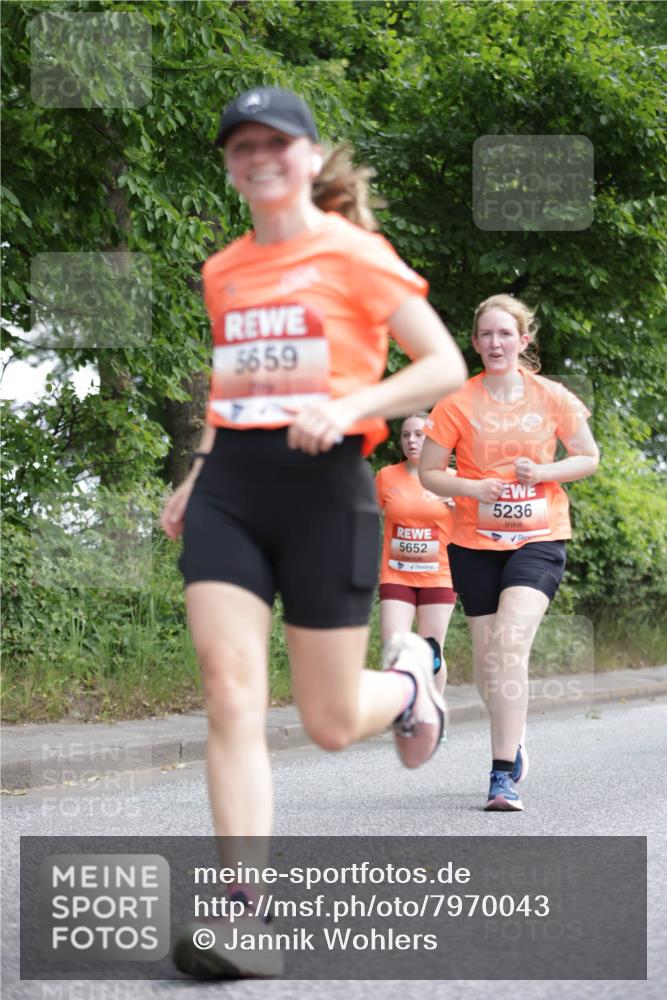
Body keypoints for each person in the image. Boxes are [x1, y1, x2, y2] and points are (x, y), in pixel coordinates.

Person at [159, 86, 466, 977]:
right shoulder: (224, 269)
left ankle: (412, 686)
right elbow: (232, 389)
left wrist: (353, 408)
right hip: (234, 491)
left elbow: (439, 362)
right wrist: (198, 476)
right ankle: (244, 921)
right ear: (228, 163)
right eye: (239, 145)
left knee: (329, 722)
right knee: (229, 689)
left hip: (327, 491)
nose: (256, 156)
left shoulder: (354, 253)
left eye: (273, 142)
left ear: (305, 152)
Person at [419, 294, 599, 812]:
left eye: (506, 334)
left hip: (539, 537)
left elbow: (588, 457)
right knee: (484, 667)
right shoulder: (456, 402)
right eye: (486, 335)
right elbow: (431, 471)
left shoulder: (553, 397)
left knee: (508, 643)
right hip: (474, 541)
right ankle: (514, 737)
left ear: (524, 340)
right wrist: (473, 490)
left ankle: (502, 776)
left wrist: (542, 474)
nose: (495, 343)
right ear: (475, 343)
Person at [376, 413, 457, 696]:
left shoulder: (453, 480)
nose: (411, 440)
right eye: (406, 435)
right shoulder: (386, 477)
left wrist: (461, 507)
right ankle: (403, 712)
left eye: (419, 435)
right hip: (396, 574)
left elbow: (476, 526)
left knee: (430, 652)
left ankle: (434, 715)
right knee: (394, 648)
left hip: (440, 576)